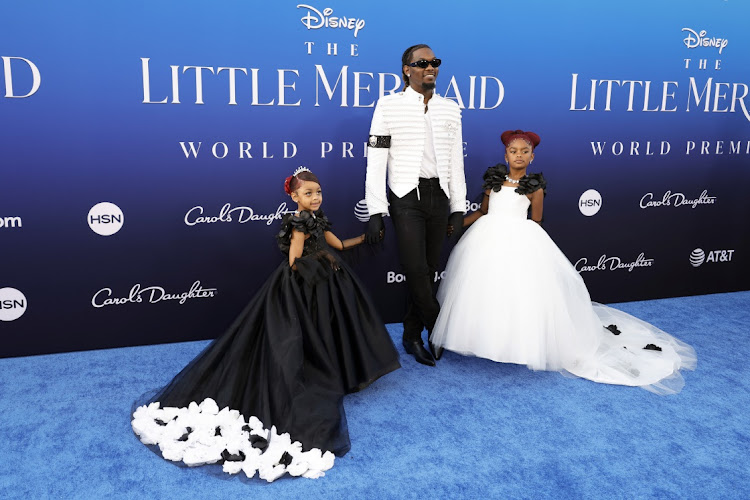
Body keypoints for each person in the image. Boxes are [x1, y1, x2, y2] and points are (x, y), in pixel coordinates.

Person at [132, 167, 400, 481]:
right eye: (308, 193)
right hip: (305, 284)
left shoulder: (318, 218)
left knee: (332, 327)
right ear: (294, 196)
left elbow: (337, 245)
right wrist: (321, 261)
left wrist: (363, 240)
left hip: (328, 281)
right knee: (305, 333)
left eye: (318, 192)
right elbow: (294, 261)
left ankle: (338, 368)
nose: (315, 198)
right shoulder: (299, 222)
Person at [431, 130, 697, 394]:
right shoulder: (493, 182)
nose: (519, 155)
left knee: (517, 294)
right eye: (514, 151)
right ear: (506, 155)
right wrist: (454, 226)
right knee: (483, 291)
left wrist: (518, 237)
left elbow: (535, 220)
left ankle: (515, 344)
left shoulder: (534, 188)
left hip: (518, 240)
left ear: (532, 157)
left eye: (525, 151)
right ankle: (481, 339)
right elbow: (482, 211)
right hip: (484, 239)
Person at [365, 43, 466, 367]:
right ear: (407, 69)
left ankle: (411, 335)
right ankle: (439, 329)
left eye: (434, 61)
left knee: (428, 270)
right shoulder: (388, 105)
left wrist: (458, 207)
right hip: (406, 197)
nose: (430, 67)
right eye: (422, 62)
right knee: (415, 268)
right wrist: (376, 210)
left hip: (440, 196)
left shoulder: (450, 108)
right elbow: (376, 161)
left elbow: (455, 161)